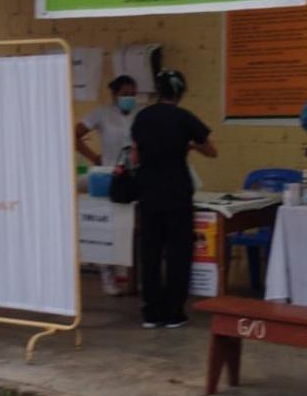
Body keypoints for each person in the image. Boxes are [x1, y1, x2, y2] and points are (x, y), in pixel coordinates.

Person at [131, 70, 217, 329]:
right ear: (179, 92)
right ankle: (173, 312)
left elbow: (135, 157)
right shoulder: (184, 118)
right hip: (177, 194)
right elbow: (211, 151)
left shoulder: (142, 116)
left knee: (151, 252)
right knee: (179, 253)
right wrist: (191, 146)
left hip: (148, 193)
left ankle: (151, 312)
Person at [75, 75, 138, 296]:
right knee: (108, 227)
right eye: (125, 94)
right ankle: (107, 277)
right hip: (108, 175)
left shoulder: (140, 114)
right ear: (114, 95)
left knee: (130, 227)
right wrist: (94, 157)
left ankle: (130, 277)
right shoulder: (102, 113)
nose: (129, 98)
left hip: (134, 176)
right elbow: (75, 134)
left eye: (132, 94)